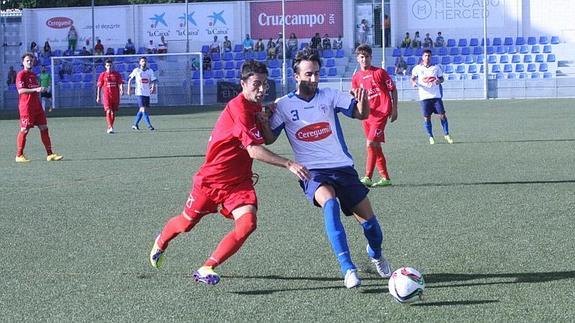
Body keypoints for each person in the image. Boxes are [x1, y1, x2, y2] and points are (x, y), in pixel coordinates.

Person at [149, 60, 310, 285]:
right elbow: (253, 150)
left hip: (238, 184)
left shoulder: (255, 107)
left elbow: (267, 139)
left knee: (248, 224)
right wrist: (288, 164)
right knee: (186, 224)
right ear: (242, 83)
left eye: (265, 84)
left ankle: (207, 267)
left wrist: (264, 121)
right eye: (256, 84)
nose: (262, 89)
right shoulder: (238, 109)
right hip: (211, 182)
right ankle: (161, 240)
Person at [258, 48, 392, 288]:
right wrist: (263, 121)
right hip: (313, 172)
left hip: (342, 167)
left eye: (317, 74)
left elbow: (361, 114)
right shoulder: (284, 105)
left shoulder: (330, 95)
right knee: (329, 203)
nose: (314, 79)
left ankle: (376, 253)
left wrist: (363, 99)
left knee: (372, 227)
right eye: (308, 74)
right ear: (296, 76)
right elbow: (269, 139)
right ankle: (348, 269)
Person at [352, 44, 398, 188]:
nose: (364, 59)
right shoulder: (356, 77)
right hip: (366, 115)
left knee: (370, 143)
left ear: (371, 57)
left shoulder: (380, 72)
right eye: (361, 57)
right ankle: (385, 178)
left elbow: (393, 89)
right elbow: (355, 95)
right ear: (357, 59)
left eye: (367, 57)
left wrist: (394, 108)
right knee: (375, 146)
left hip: (381, 112)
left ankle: (367, 177)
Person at [15, 53, 63, 163]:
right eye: (27, 60)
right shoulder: (21, 75)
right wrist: (36, 90)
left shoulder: (33, 75)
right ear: (23, 62)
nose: (30, 62)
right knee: (24, 129)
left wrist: (42, 90)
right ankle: (19, 155)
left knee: (44, 127)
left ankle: (50, 154)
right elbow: (20, 91)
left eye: (31, 60)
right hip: (26, 107)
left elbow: (36, 90)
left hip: (37, 107)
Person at [410, 49, 453, 145]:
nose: (427, 57)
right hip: (424, 97)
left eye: (429, 56)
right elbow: (412, 78)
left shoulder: (436, 68)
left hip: (436, 96)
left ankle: (446, 134)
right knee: (427, 117)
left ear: (431, 57)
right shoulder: (417, 68)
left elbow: (442, 78)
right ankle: (431, 136)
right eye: (425, 55)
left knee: (442, 115)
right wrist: (413, 83)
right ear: (422, 57)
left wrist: (439, 81)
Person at [127, 56, 157, 131]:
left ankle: (135, 124)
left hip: (147, 93)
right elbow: (130, 79)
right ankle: (149, 126)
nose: (144, 62)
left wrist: (153, 87)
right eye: (142, 61)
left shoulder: (150, 71)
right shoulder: (136, 70)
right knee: (143, 109)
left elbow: (153, 80)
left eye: (145, 61)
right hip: (139, 93)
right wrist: (128, 89)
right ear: (139, 62)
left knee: (141, 109)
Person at [97, 59, 124, 134]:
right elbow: (99, 86)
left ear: (112, 66)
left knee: (113, 112)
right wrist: (98, 96)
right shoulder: (102, 75)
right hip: (106, 96)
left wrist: (121, 89)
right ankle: (110, 127)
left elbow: (120, 83)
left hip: (115, 96)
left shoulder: (116, 74)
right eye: (107, 65)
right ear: (105, 66)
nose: (109, 67)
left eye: (110, 65)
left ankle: (111, 126)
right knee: (108, 111)